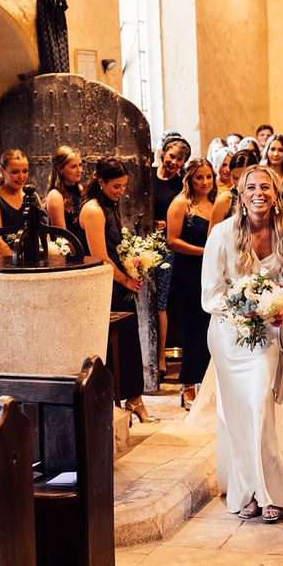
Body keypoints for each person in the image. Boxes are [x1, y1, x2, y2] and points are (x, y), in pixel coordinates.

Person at [201, 165, 283, 522]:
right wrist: (248, 306)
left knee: (260, 407)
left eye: (265, 187)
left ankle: (271, 491)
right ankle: (248, 490)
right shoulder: (222, 234)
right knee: (236, 415)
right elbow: (210, 296)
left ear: (275, 193)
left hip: (271, 335)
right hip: (230, 334)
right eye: (251, 187)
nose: (259, 193)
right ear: (240, 194)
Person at [79, 157, 157, 422]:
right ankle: (124, 401)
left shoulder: (109, 205)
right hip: (106, 287)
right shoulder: (92, 210)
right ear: (100, 182)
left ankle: (134, 399)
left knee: (129, 343)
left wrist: (134, 267)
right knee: (116, 346)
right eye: (116, 186)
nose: (121, 191)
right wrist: (126, 279)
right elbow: (100, 257)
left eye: (124, 186)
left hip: (119, 283)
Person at [167, 158, 216, 409]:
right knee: (192, 329)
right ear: (190, 178)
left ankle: (206, 383)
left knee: (210, 328)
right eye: (199, 177)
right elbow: (172, 240)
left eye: (208, 176)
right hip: (188, 272)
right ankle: (186, 385)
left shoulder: (216, 202)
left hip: (211, 272)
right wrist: (202, 251)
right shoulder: (181, 203)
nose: (205, 182)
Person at [153, 136, 192, 378]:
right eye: (172, 156)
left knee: (161, 303)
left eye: (179, 159)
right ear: (164, 152)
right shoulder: (148, 175)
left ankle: (160, 358)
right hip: (142, 241)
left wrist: (166, 224)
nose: (173, 162)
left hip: (165, 247)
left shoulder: (180, 185)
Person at [45, 145, 87, 250]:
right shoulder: (55, 196)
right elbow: (62, 237)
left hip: (85, 247)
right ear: (60, 169)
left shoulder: (80, 189)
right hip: (71, 253)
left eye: (80, 165)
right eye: (73, 167)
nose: (79, 170)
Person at [208, 148, 260, 233]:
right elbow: (211, 239)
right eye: (235, 178)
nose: (240, 183)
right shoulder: (225, 199)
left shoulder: (261, 195)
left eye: (245, 178)